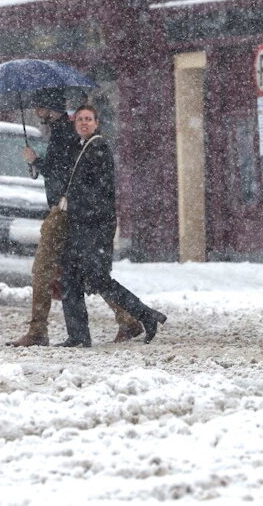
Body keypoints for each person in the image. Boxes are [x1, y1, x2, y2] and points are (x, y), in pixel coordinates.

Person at [4, 89, 143, 347]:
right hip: (68, 211)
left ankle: (38, 331)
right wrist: (40, 163)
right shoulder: (63, 132)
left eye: (38, 107)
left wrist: (38, 161)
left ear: (48, 107)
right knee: (86, 272)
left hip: (63, 212)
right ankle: (128, 318)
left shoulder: (65, 134)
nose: (36, 112)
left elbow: (67, 175)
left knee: (44, 269)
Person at [56, 105, 166, 347]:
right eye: (80, 119)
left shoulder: (98, 147)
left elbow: (98, 189)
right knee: (72, 276)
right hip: (81, 224)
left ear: (96, 123)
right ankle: (78, 335)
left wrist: (78, 202)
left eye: (89, 119)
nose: (84, 123)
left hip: (93, 225)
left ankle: (145, 315)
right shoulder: (80, 147)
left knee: (96, 278)